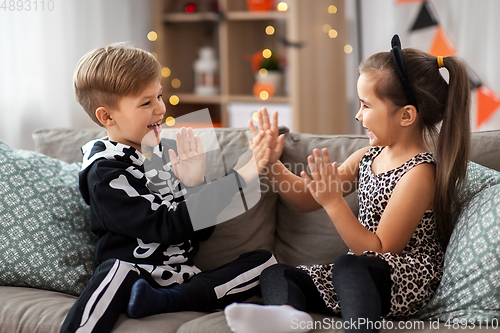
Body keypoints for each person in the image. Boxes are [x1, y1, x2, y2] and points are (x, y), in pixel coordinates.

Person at [225, 35, 471, 333]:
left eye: (366, 106)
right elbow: (306, 198)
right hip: (361, 273)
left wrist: (333, 203)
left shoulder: (420, 173)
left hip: (407, 279)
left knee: (349, 265)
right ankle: (288, 318)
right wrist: (269, 162)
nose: (358, 115)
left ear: (406, 115)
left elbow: (381, 249)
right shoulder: (367, 156)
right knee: (278, 274)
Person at [60, 43, 277, 333]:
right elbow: (167, 225)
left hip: (183, 275)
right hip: (133, 272)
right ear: (107, 117)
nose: (161, 108)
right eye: (146, 103)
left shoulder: (166, 151)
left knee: (265, 263)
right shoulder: (103, 171)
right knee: (114, 270)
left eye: (159, 96)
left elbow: (201, 231)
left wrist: (194, 182)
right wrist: (241, 174)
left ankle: (166, 300)